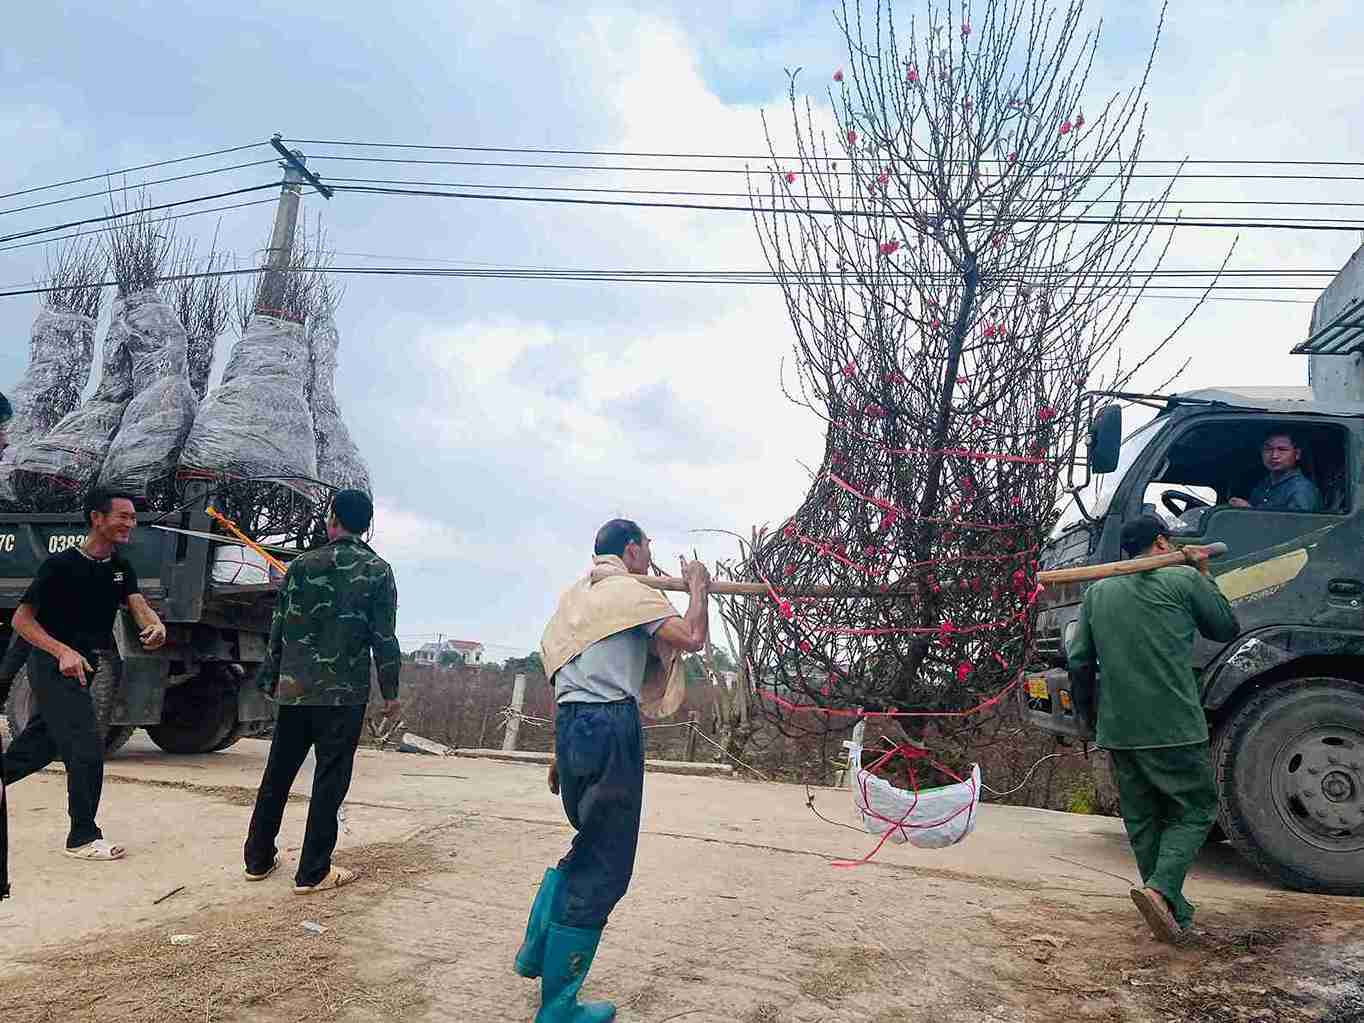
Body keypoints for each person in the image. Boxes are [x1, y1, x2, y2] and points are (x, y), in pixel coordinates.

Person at [516, 519, 710, 1022]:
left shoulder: (575, 597)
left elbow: (568, 672)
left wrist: (561, 750)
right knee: (606, 866)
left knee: (589, 843)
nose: (650, 556)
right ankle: (559, 1008)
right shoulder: (628, 592)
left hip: (572, 725)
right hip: (609, 727)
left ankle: (538, 950)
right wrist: (698, 587)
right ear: (631, 549)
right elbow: (690, 636)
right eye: (647, 547)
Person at [1067, 515, 1239, 943]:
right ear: (1162, 542)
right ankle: (1162, 891)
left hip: (1119, 728)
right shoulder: (1183, 580)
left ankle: (1168, 909)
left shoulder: (1098, 592)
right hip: (1173, 724)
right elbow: (1225, 627)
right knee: (1195, 809)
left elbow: (1079, 662)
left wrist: (1088, 718)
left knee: (1143, 819)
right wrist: (1203, 573)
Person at [242, 489, 401, 893]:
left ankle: (258, 860)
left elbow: (279, 627)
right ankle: (313, 872)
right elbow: (384, 638)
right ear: (367, 526)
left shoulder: (301, 566)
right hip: (344, 695)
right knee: (330, 779)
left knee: (278, 772)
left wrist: (269, 678)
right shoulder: (378, 571)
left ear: (333, 520)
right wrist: (391, 692)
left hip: (295, 690)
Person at [4, 488, 166, 861]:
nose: (130, 523)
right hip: (51, 664)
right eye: (122, 516)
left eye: (132, 518)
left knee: (40, 746)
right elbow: (21, 620)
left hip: (87, 666)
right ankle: (82, 837)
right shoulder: (59, 566)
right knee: (86, 746)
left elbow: (138, 606)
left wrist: (154, 626)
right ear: (97, 518)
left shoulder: (120, 568)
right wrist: (62, 651)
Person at [1229, 431, 1320, 512]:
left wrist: (1249, 510)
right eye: (1268, 449)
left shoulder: (1301, 489)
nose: (1274, 455)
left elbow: (1295, 527)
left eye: (1282, 450)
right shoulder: (1264, 484)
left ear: (1297, 454)